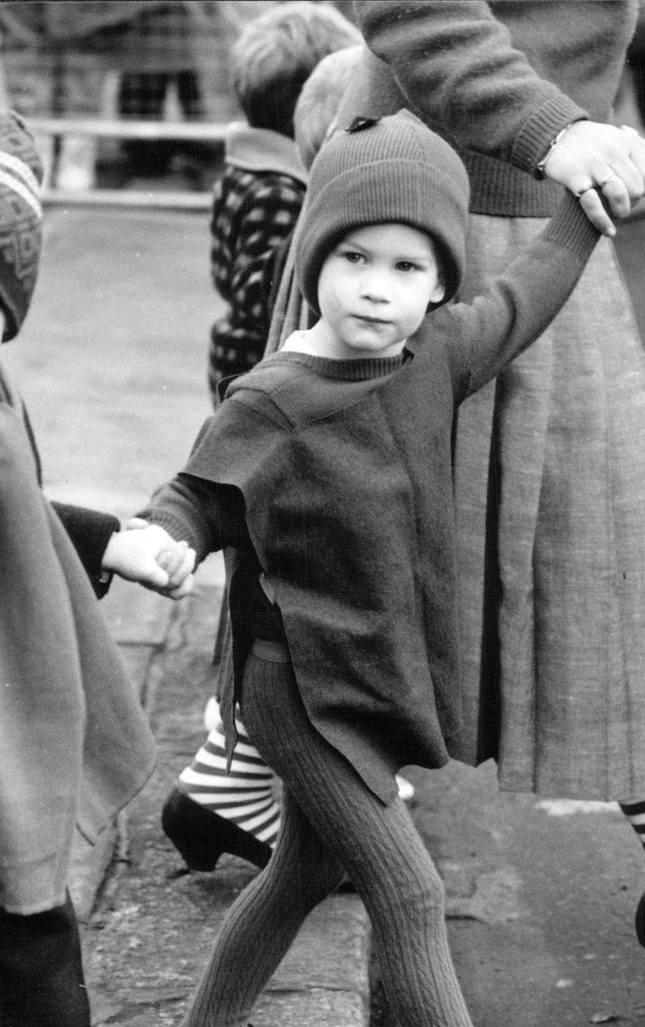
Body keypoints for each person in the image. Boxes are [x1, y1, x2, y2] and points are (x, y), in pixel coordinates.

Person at [111, 110, 612, 1027]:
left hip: (371, 669)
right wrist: (164, 537)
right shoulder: (276, 396)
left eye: (405, 264)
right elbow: (197, 493)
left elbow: (524, 297)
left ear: (435, 284)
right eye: (351, 257)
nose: (376, 286)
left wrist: (585, 204)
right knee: (407, 886)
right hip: (295, 679)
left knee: (304, 865)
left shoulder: (436, 353)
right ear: (313, 261)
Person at [310, 0, 645, 999]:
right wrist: (557, 127)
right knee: (363, 529)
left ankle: (228, 780)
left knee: (521, 533)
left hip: (525, 186)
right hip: (437, 203)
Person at [0, 107, 192, 1027]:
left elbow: (18, 519)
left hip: (10, 736)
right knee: (27, 995)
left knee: (36, 992)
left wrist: (103, 536)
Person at [159, 9, 382, 877]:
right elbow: (265, 296)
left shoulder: (247, 176)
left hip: (254, 406)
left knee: (271, 590)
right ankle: (236, 774)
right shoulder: (286, 195)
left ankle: (227, 782)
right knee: (281, 594)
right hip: (272, 419)